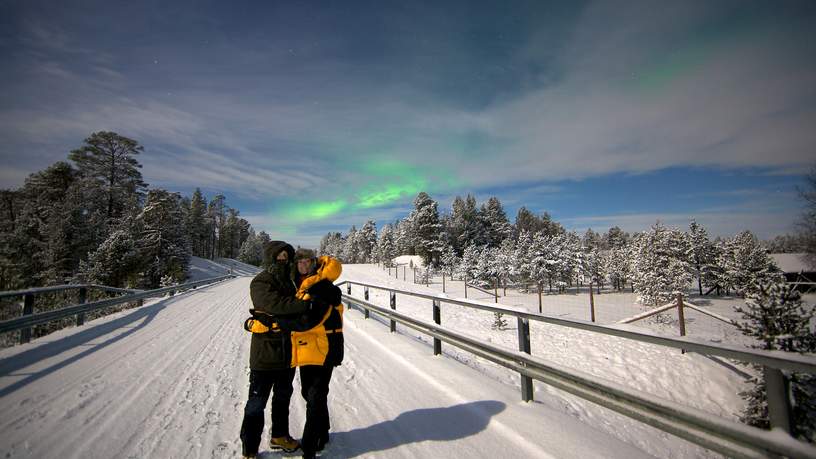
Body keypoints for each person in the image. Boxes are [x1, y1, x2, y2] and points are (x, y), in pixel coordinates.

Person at [240, 241, 311, 458]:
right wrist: (302, 305)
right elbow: (273, 305)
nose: (283, 259)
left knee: (283, 399)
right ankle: (249, 448)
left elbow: (286, 310)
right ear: (271, 257)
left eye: (286, 256)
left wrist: (287, 313)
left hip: (287, 353)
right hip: (264, 355)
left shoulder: (291, 283)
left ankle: (279, 436)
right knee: (256, 403)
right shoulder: (261, 281)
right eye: (279, 256)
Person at [288, 248, 344, 459]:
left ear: (314, 262)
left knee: (315, 395)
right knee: (308, 393)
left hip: (325, 348)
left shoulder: (322, 287)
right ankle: (323, 431)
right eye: (299, 261)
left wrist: (283, 322)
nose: (303, 264)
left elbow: (310, 320)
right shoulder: (300, 285)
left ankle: (310, 446)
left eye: (307, 261)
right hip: (307, 349)